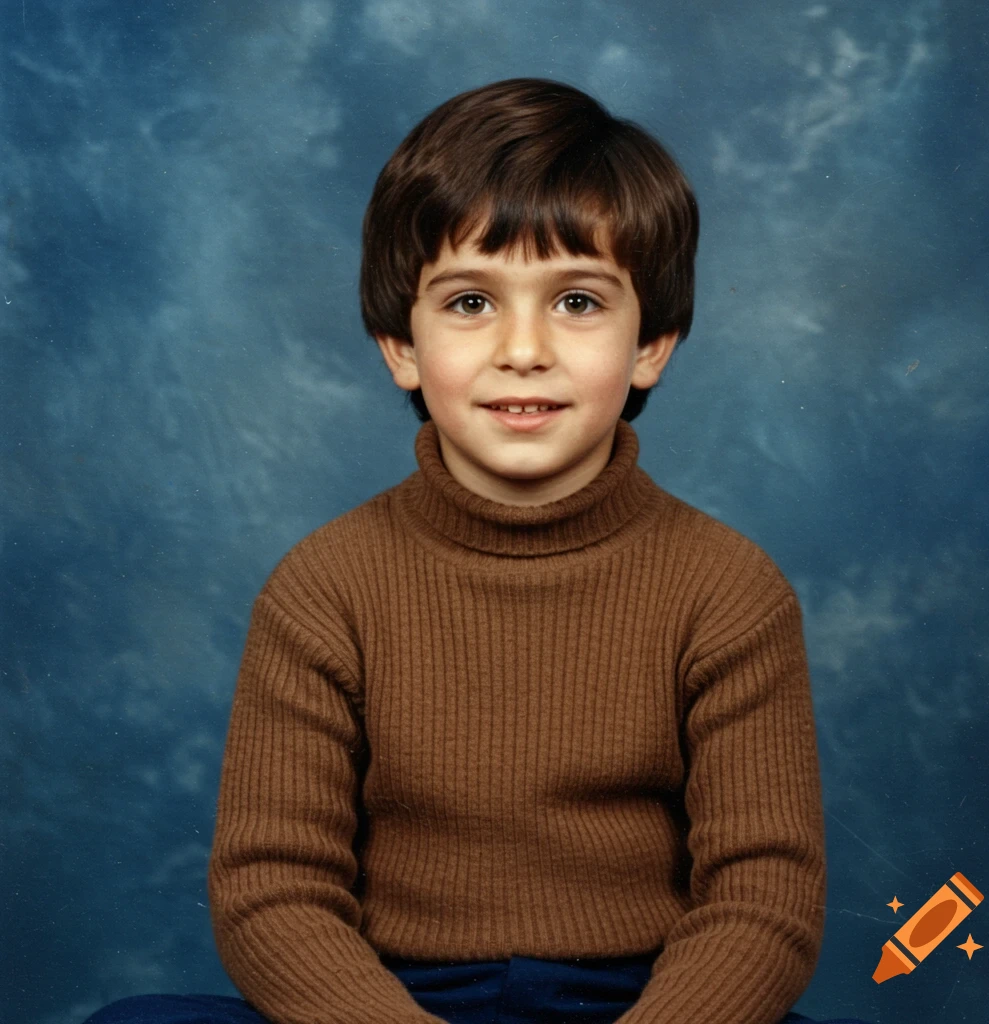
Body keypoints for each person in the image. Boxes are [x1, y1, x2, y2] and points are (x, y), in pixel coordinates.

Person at [84, 78, 876, 1024]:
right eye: (470, 302)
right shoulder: (324, 589)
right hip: (390, 1000)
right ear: (400, 348)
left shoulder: (730, 592)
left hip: (647, 1000)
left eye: (578, 301)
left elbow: (764, 899)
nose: (524, 348)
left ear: (653, 345)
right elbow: (272, 891)